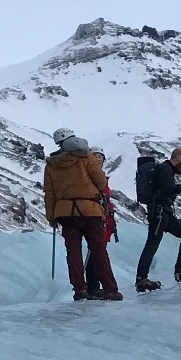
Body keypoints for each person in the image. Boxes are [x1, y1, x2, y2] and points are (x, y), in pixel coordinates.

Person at [43, 129, 121, 301]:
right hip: (91, 211)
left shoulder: (52, 164)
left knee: (73, 252)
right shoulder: (87, 157)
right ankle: (110, 289)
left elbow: (49, 193)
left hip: (65, 213)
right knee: (99, 251)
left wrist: (51, 217)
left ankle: (80, 289)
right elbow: (101, 182)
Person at [136, 146, 181, 292]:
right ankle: (142, 279)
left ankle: (180, 269)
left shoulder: (166, 170)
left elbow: (165, 190)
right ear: (178, 159)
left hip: (163, 213)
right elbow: (167, 188)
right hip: (159, 213)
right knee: (153, 244)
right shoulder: (165, 169)